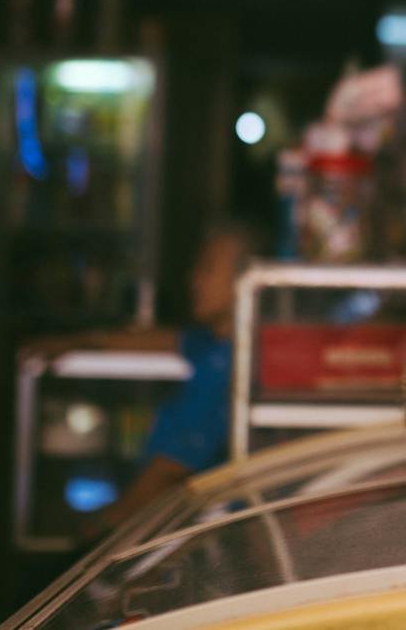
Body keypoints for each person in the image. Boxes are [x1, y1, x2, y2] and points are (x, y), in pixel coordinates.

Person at [21, 219, 250, 541]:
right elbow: (164, 339)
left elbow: (167, 473)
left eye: (206, 269)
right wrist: (82, 341)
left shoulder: (225, 364)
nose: (193, 280)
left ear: (245, 280)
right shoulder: (214, 342)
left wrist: (93, 529)